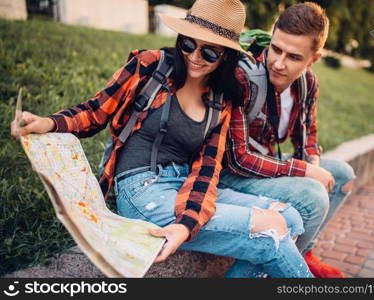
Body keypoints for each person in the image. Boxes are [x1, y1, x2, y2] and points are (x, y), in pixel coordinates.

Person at [11, 0, 314, 278]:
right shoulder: (152, 66)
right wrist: (49, 122)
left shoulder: (222, 100)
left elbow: (206, 171)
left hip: (183, 187)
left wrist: (186, 224)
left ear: (225, 57)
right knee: (270, 235)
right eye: (188, 44)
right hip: (142, 190)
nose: (194, 57)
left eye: (209, 52)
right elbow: (95, 112)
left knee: (290, 217)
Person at [220, 2, 355, 278]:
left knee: (341, 175)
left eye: (293, 57)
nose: (279, 63)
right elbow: (237, 159)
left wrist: (313, 163)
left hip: (268, 165)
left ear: (312, 59)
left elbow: (307, 137)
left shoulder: (308, 83)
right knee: (314, 197)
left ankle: (301, 254)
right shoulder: (244, 76)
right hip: (230, 172)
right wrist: (305, 172)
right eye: (276, 49)